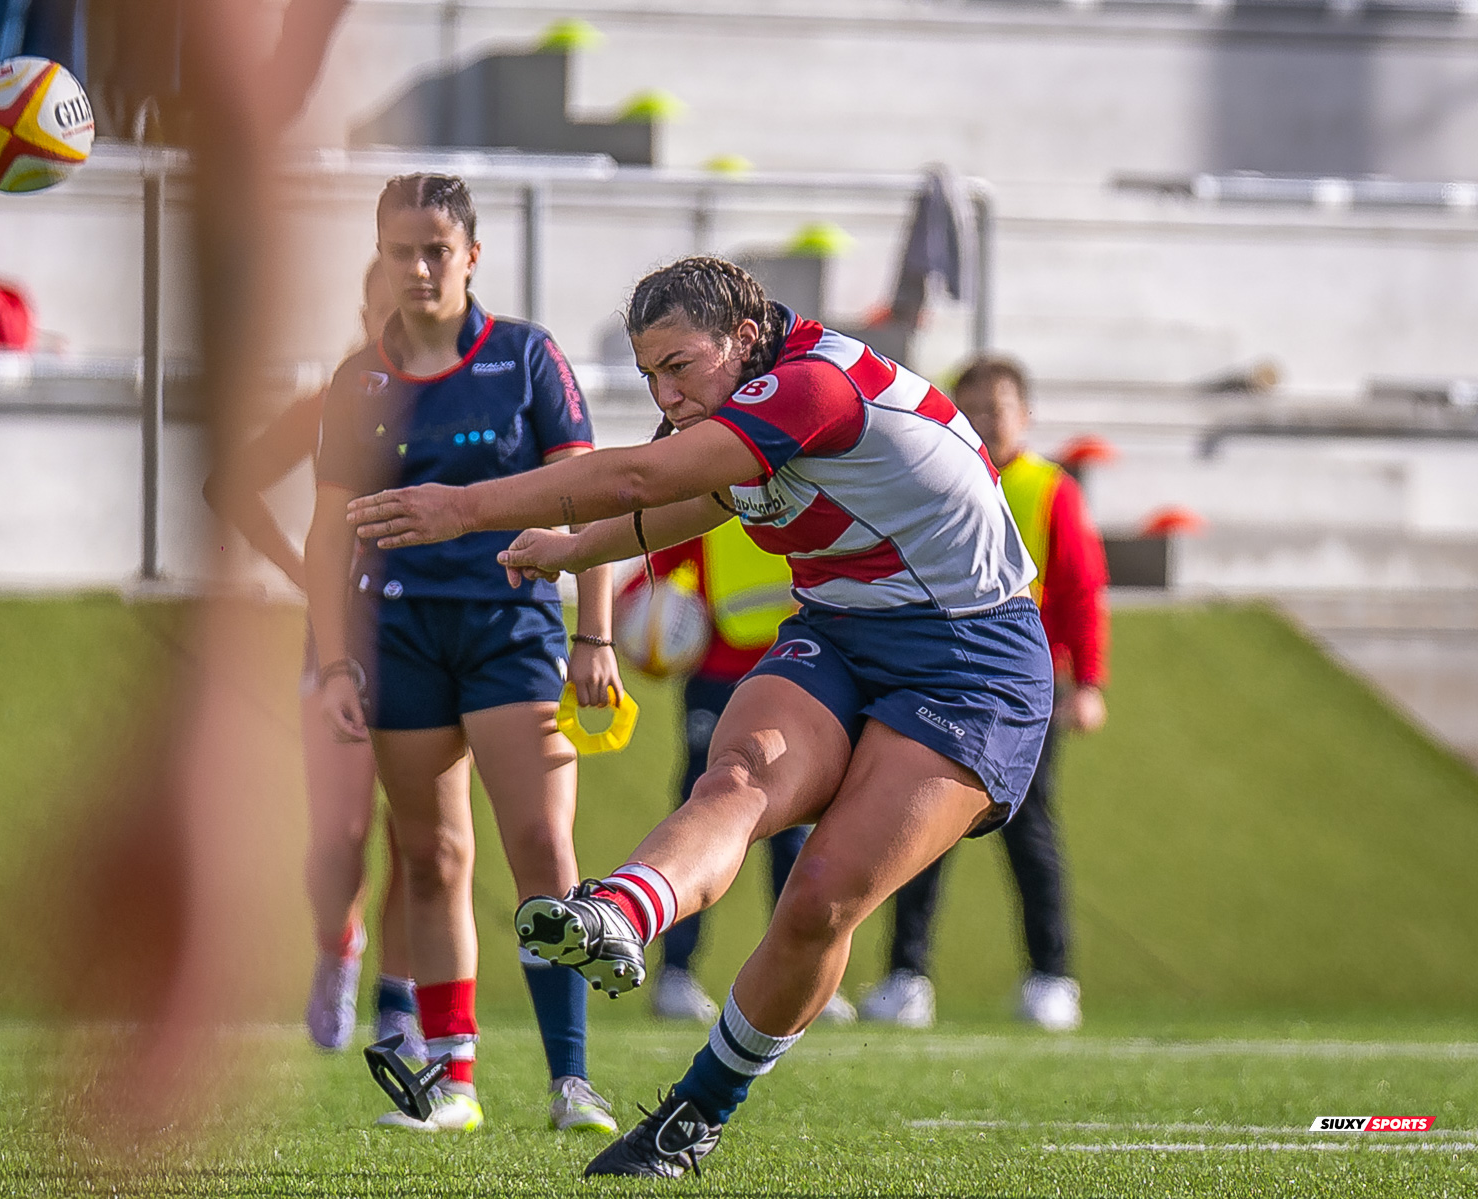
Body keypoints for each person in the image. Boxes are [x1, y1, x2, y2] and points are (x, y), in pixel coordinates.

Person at [348, 256, 1053, 1177]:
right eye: (648, 372)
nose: (663, 390)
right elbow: (697, 500)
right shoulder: (744, 405)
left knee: (820, 898)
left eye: (678, 365)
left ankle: (695, 1113)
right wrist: (572, 548)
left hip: (973, 664)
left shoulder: (811, 387)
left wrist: (463, 508)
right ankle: (619, 915)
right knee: (740, 774)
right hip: (841, 635)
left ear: (745, 340)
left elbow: (641, 479)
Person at [304, 174, 621, 1134]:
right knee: (434, 855)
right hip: (400, 637)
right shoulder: (358, 381)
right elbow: (328, 536)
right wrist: (332, 662)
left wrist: (593, 632)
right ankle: (454, 1080)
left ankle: (572, 1080)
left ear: (473, 255)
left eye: (438, 248)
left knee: (541, 844)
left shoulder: (527, 358)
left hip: (512, 630)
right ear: (380, 255)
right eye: (401, 249)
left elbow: (591, 500)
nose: (420, 266)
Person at [204, 261, 422, 1057]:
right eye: (383, 308)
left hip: (441, 639)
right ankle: (338, 951)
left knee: (424, 837)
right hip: (341, 642)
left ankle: (399, 999)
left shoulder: (476, 398)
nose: (400, 320)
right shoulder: (336, 402)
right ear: (363, 313)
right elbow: (231, 481)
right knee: (338, 836)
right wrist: (308, 575)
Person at [861, 355, 1108, 1032]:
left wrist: (1087, 682)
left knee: (1028, 829)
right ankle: (906, 977)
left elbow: (1083, 588)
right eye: (970, 406)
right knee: (920, 823)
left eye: (997, 407)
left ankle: (1052, 977)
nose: (984, 420)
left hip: (1026, 689)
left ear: (1024, 416)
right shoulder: (934, 476)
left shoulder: (1050, 488)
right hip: (939, 675)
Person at [635, 522, 857, 1026]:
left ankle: (804, 978)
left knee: (795, 831)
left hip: (801, 678)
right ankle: (675, 975)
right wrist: (643, 629)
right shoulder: (709, 507)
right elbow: (652, 580)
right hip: (717, 680)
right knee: (703, 818)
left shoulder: (815, 498)